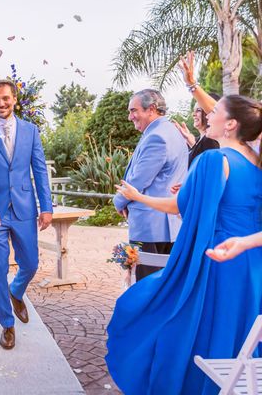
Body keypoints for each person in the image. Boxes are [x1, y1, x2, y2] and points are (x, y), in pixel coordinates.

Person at [108, 95, 262, 394]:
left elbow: (180, 206)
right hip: (253, 263)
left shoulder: (215, 159)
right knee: (237, 333)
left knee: (187, 324)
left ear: (230, 124)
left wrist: (138, 197)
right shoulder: (256, 161)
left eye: (214, 111)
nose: (208, 115)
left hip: (218, 259)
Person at [0, 80, 53, 350]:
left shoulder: (31, 131)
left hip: (25, 208)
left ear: (14, 99)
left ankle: (16, 291)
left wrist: (47, 208)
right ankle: (7, 324)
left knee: (30, 263)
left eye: (5, 98)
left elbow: (39, 170)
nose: (1, 103)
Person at [113, 89, 188, 281]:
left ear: (152, 109)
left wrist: (118, 202)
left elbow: (139, 179)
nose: (130, 117)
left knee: (145, 284)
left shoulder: (157, 137)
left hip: (151, 226)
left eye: (133, 110)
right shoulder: (170, 131)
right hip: (168, 224)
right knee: (165, 284)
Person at [172, 95, 220, 167]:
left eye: (198, 110)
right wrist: (191, 141)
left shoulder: (211, 140)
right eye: (193, 110)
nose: (193, 114)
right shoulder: (200, 140)